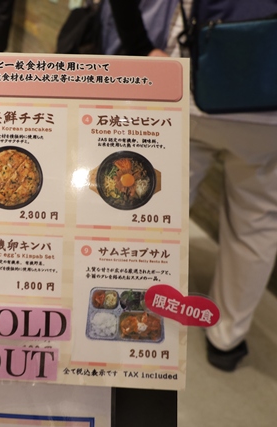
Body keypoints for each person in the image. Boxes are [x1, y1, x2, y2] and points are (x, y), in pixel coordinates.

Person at [105, 0, 277, 372]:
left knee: (157, 213)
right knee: (257, 223)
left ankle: (131, 311)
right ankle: (227, 338)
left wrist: (142, 48)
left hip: (191, 85)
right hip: (269, 100)